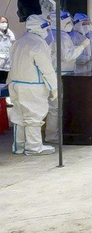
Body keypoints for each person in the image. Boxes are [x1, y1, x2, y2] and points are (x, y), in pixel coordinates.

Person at [7, 15, 58, 155]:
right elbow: (46, 69)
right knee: (33, 117)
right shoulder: (38, 44)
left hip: (15, 84)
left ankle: (18, 146)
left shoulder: (19, 41)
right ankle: (34, 147)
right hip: (32, 86)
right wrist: (54, 87)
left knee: (18, 116)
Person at [45, 11, 89, 144]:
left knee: (54, 107)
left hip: (54, 73)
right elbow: (67, 56)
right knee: (56, 107)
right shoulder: (61, 36)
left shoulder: (50, 34)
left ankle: (54, 134)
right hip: (61, 74)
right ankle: (53, 136)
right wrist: (81, 46)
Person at [0, 16, 16, 84]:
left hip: (6, 64)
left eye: (6, 22)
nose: (5, 24)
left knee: (3, 82)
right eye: (2, 22)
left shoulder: (10, 34)